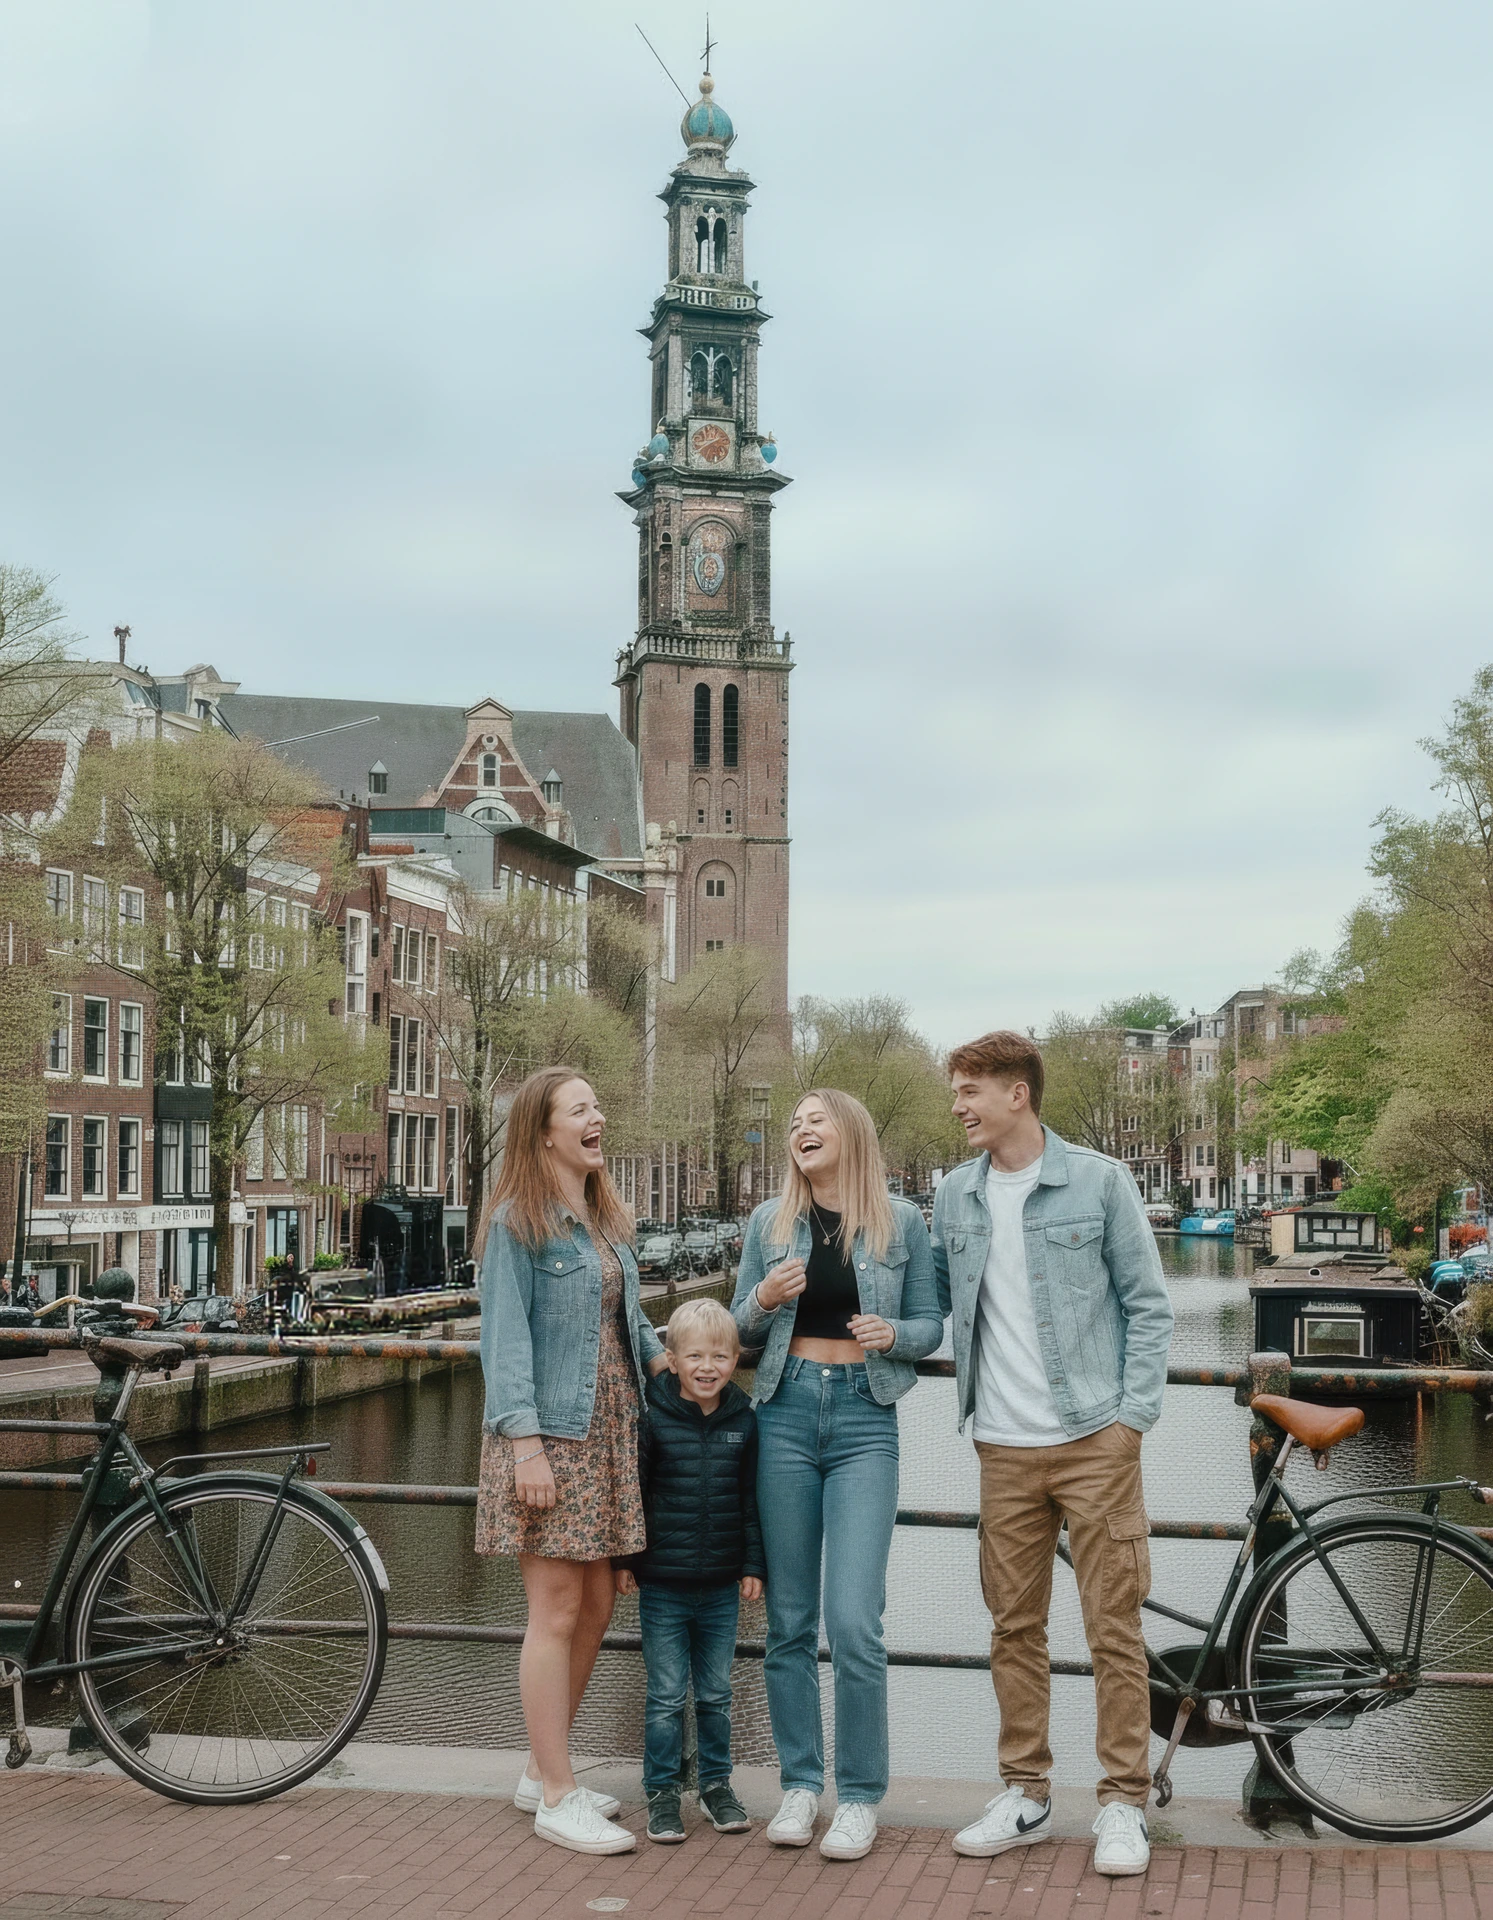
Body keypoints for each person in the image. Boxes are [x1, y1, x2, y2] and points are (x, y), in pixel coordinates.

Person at [931, 1031, 1174, 1879]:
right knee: (1013, 1628)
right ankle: (1025, 1792)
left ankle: (1119, 1805)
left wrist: (1130, 1422)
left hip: (1093, 1441)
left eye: (969, 1091)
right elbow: (939, 1307)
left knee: (1113, 1627)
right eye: (956, 1090)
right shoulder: (953, 1195)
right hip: (1000, 1445)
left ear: (1016, 1096)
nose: (957, 1105)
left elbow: (1148, 1307)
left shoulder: (1099, 1182)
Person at [732, 1088, 944, 1862]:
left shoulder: (901, 1222)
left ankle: (857, 1798)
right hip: (782, 1414)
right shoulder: (768, 1223)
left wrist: (894, 1335)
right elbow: (735, 1326)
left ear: (850, 1132)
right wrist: (761, 1295)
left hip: (863, 1419)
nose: (800, 1130)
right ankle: (797, 1785)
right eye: (793, 1123)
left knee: (853, 1622)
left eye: (814, 1120)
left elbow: (930, 1323)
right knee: (789, 1621)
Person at [475, 1065, 669, 1857]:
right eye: (581, 1108)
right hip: (551, 1439)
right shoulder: (517, 1223)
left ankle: (540, 1769)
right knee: (554, 1614)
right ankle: (557, 1795)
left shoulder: (602, 1220)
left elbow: (635, 1331)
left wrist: (708, 1354)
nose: (598, 1117)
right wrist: (525, 1446)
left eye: (599, 1105)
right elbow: (504, 1340)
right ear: (543, 1130)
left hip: (611, 1437)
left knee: (593, 1611)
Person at [615, 1298, 765, 1844]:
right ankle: (661, 1792)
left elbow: (750, 1500)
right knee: (665, 1694)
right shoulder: (652, 1418)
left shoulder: (744, 1420)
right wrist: (626, 1562)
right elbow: (634, 1494)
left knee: (717, 1693)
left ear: (736, 1360)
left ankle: (716, 1785)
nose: (708, 1367)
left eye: (720, 1356)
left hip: (722, 1585)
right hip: (663, 1585)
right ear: (672, 1360)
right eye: (695, 1355)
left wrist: (753, 1564)